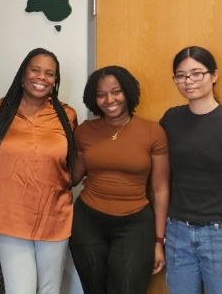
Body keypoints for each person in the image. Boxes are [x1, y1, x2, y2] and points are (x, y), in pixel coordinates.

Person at [160, 46, 222, 294]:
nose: (188, 81)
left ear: (214, 75)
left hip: (220, 234)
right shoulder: (170, 119)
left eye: (196, 73)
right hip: (177, 232)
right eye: (180, 75)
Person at [69, 66, 170, 294]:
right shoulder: (85, 131)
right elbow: (73, 178)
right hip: (88, 222)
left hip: (135, 225)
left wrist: (158, 241)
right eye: (101, 94)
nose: (109, 100)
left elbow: (161, 189)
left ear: (128, 93)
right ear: (94, 99)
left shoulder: (153, 131)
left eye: (116, 92)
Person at [0, 48, 77, 294]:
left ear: (55, 81)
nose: (41, 77)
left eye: (49, 73)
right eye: (35, 70)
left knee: (49, 290)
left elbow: (75, 164)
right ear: (23, 74)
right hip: (12, 218)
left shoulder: (67, 115)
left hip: (55, 217)